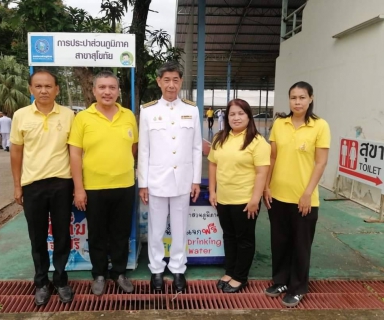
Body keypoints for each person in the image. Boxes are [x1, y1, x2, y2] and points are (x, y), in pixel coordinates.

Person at [68, 71, 138, 295]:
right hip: (94, 187)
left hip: (125, 185)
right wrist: (79, 188)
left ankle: (119, 272)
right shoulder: (82, 118)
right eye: (102, 87)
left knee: (120, 233)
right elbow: (75, 155)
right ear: (94, 90)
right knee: (97, 233)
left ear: (118, 91)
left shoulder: (128, 115)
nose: (107, 92)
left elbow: (133, 148)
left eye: (112, 87)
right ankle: (99, 274)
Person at [10, 69, 75, 306]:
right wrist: (17, 186)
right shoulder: (20, 116)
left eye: (48, 86)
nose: (43, 90)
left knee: (62, 235)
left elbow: (74, 151)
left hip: (61, 183)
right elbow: (16, 153)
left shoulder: (68, 116)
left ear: (57, 89)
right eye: (38, 86)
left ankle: (61, 280)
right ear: (30, 89)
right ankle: (41, 282)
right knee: (36, 237)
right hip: (32, 185)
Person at [263, 81, 330, 307]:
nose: (297, 102)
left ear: (311, 98)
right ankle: (281, 281)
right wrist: (266, 186)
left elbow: (320, 163)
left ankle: (298, 287)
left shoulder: (320, 126)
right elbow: (271, 158)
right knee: (279, 242)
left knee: (301, 245)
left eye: (302, 97)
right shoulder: (279, 124)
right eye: (293, 97)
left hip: (304, 197)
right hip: (278, 196)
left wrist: (307, 193)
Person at [138, 61, 202, 292]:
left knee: (179, 227)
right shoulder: (148, 110)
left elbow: (196, 147)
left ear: (181, 81)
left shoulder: (191, 109)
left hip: (183, 180)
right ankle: (156, 269)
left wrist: (196, 180)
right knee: (155, 229)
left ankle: (177, 269)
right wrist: (143, 183)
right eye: (167, 80)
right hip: (156, 181)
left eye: (175, 80)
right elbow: (143, 150)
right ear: (159, 82)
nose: (171, 85)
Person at [208, 99, 270, 293]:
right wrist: (212, 190)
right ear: (227, 117)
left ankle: (240, 277)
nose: (236, 118)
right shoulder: (220, 138)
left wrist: (255, 200)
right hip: (223, 198)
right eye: (232, 114)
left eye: (240, 113)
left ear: (249, 116)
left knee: (244, 239)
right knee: (229, 236)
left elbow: (262, 172)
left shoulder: (257, 141)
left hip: (245, 200)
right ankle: (231, 271)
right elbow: (213, 164)